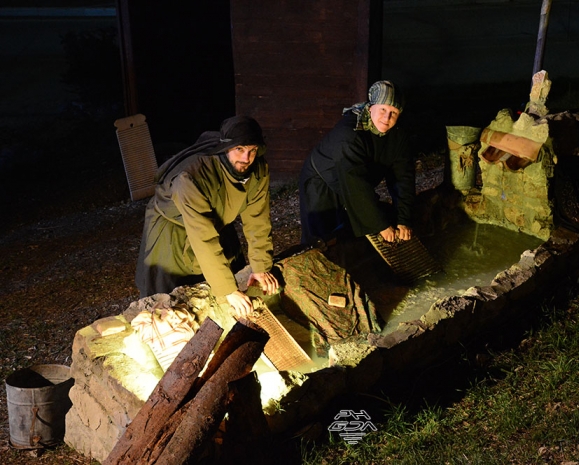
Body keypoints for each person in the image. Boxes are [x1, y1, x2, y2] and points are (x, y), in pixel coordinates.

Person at [135, 115, 278, 319]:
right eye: (239, 149)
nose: (246, 159)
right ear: (226, 148)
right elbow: (203, 237)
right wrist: (228, 289)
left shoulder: (257, 171)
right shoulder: (191, 177)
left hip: (216, 218)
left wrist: (261, 267)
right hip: (173, 230)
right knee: (171, 306)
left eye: (252, 150)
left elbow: (258, 220)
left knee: (231, 284)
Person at [298, 80, 415, 246]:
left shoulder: (398, 137)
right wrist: (380, 224)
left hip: (355, 180)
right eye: (383, 109)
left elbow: (403, 178)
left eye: (393, 112)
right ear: (370, 107)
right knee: (323, 239)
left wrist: (403, 219)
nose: (387, 117)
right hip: (322, 181)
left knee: (348, 236)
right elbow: (355, 182)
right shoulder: (349, 135)